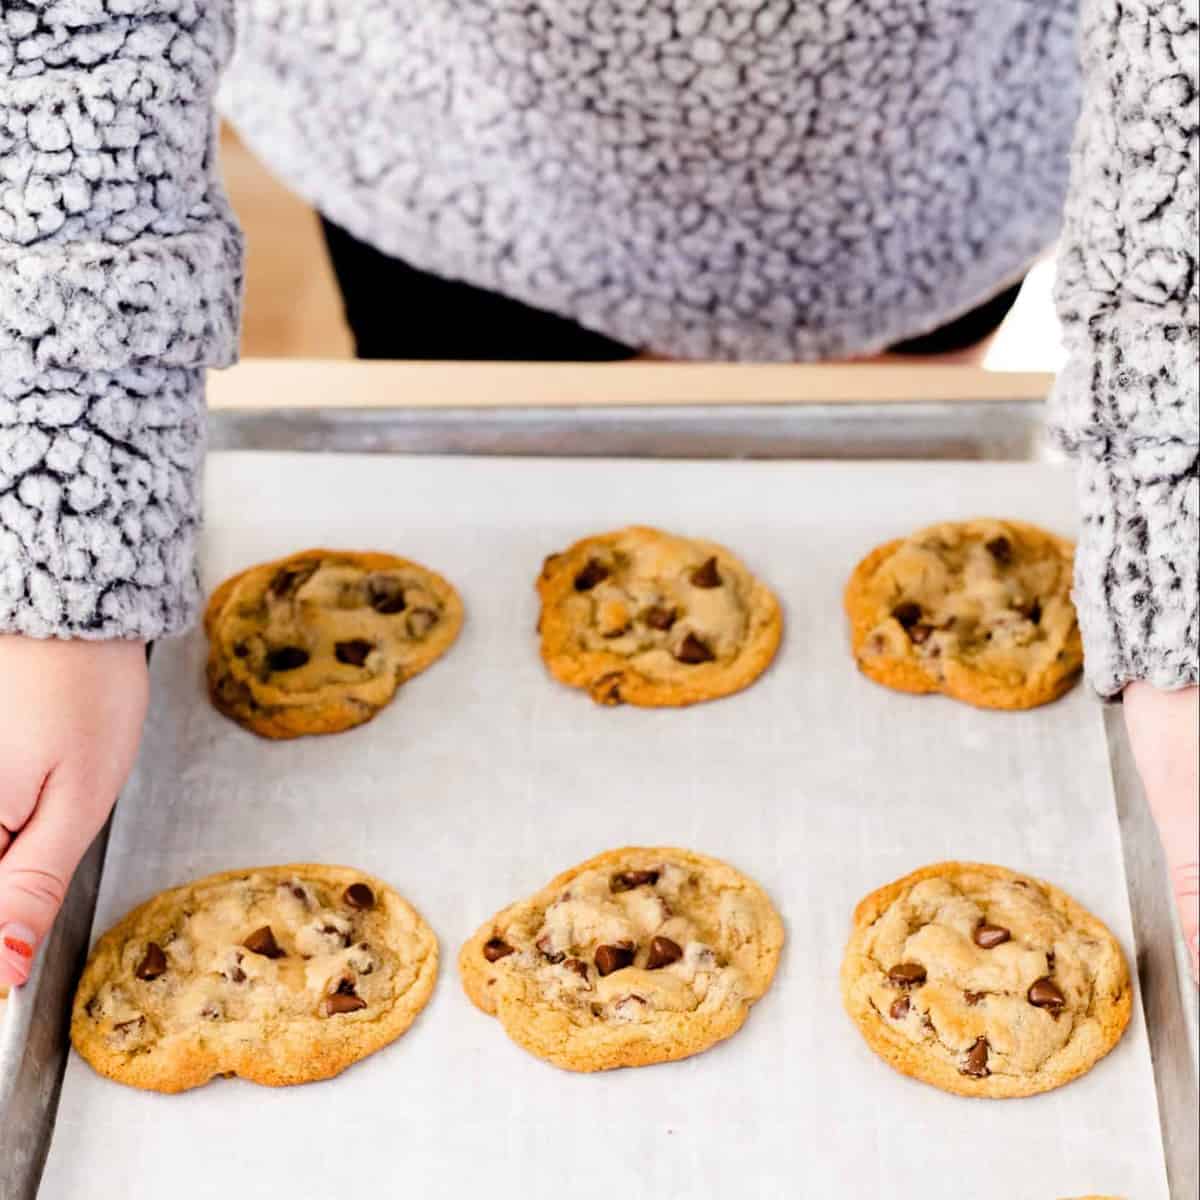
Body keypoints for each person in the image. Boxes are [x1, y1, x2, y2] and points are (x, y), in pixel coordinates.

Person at [0, 2, 1195, 990]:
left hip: (938, 149)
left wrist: (1177, 564)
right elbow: (77, 35)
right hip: (446, 147)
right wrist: (65, 544)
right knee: (467, 408)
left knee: (892, 446)